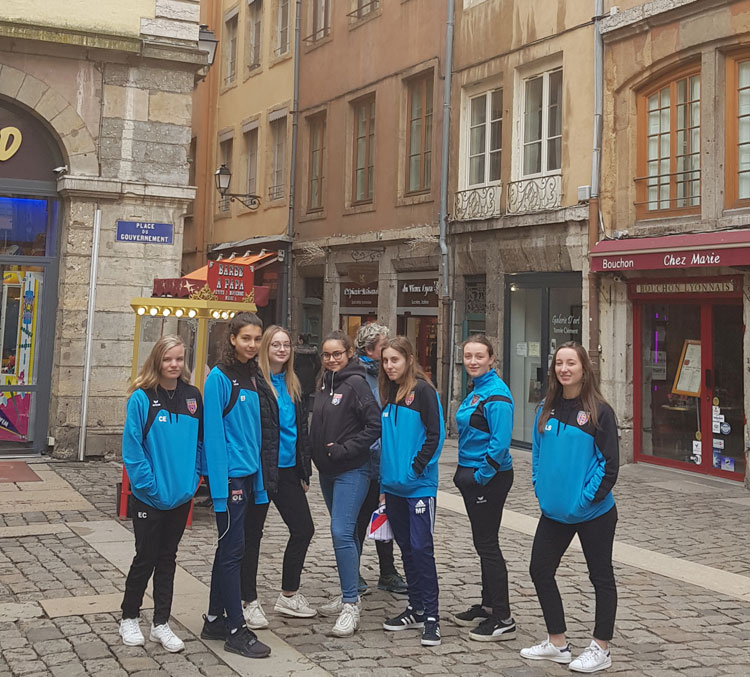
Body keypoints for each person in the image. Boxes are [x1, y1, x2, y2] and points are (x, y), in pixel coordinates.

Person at [520, 341, 619, 674]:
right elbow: (536, 455)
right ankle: (557, 642)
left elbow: (609, 465)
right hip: (554, 513)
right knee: (539, 570)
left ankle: (601, 648)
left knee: (601, 577)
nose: (564, 369)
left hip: (594, 513)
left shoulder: (599, 411)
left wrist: (584, 499)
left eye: (570, 363)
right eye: (559, 363)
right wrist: (541, 489)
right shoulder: (546, 408)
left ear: (583, 368)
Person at [119, 335, 202, 652]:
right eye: (168, 359)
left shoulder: (193, 397)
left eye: (179, 359)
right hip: (150, 498)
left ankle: (161, 623)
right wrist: (149, 486)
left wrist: (192, 480)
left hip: (180, 497)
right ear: (157, 361)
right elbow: (133, 450)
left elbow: (199, 444)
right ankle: (129, 617)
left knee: (168, 560)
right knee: (145, 557)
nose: (174, 365)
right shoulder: (141, 398)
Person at [200, 313, 271, 659]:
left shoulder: (254, 375)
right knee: (233, 553)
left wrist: (259, 482)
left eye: (257, 338)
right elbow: (213, 435)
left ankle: (214, 618)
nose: (252, 344)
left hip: (249, 476)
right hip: (230, 480)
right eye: (246, 338)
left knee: (229, 550)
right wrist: (219, 489)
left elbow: (255, 433)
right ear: (232, 338)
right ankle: (235, 629)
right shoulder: (219, 377)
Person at [240, 325, 316, 627]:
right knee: (252, 536)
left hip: (287, 471)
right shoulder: (255, 383)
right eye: (276, 345)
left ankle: (288, 594)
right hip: (261, 470)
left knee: (303, 528)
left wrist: (304, 470)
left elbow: (300, 431)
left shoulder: (292, 383)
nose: (282, 350)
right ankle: (248, 600)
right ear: (265, 349)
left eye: (286, 345)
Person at [310, 330, 381, 637]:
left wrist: (345, 449)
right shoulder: (326, 382)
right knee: (348, 533)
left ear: (350, 353)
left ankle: (351, 605)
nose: (332, 359)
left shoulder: (356, 383)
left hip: (352, 469)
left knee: (341, 531)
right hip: (327, 472)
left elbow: (374, 425)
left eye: (337, 353)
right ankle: (347, 589)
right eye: (327, 354)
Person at [379, 337, 445, 647]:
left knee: (421, 548)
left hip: (418, 486)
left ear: (408, 359)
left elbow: (435, 435)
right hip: (393, 488)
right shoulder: (388, 392)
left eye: (395, 360)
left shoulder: (424, 391)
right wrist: (385, 482)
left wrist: (415, 469)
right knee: (406, 548)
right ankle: (415, 608)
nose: (389, 366)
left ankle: (432, 616)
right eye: (385, 360)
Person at [452, 335, 516, 642]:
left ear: (492, 359)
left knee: (488, 545)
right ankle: (488, 604)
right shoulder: (477, 389)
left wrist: (480, 476)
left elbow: (500, 443)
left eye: (479, 356)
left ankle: (503, 617)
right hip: (473, 474)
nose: (473, 361)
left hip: (489, 478)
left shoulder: (496, 394)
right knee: (483, 542)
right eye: (468, 356)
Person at [353, 322, 408, 596]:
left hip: (386, 459)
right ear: (370, 349)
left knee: (385, 516)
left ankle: (388, 571)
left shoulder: (390, 376)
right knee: (361, 519)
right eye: (383, 347)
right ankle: (353, 572)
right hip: (365, 459)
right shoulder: (357, 376)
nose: (388, 354)